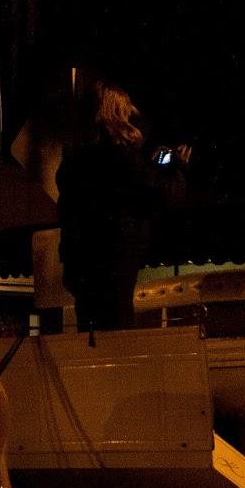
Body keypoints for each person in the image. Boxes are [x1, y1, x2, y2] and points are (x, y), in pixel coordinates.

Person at [54, 73, 188, 332]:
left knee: (91, 332)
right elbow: (162, 194)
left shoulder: (73, 161)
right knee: (116, 332)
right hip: (114, 262)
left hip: (79, 263)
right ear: (115, 113)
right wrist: (179, 168)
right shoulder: (119, 157)